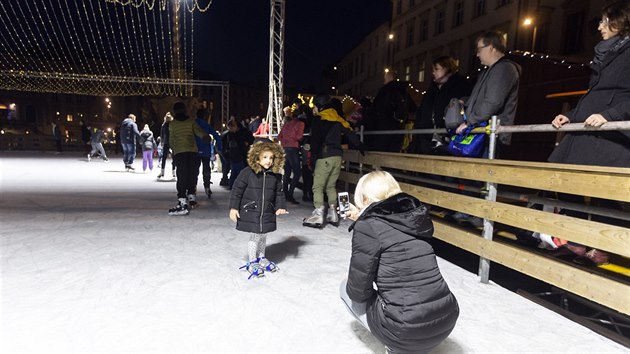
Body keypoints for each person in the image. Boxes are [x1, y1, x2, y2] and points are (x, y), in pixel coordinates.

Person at [547, 0, 630, 266]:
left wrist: (610, 116)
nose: (599, 26)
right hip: (588, 129)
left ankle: (602, 247)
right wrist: (570, 116)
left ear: (621, 21)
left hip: (611, 134)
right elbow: (594, 95)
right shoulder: (607, 53)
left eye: (605, 21)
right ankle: (576, 241)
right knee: (567, 180)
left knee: (603, 192)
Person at [340, 171, 459, 354]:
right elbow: (389, 230)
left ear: (365, 199)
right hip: (446, 319)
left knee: (345, 290)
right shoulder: (415, 218)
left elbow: (357, 291)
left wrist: (363, 223)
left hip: (406, 331)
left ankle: (395, 347)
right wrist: (363, 219)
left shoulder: (368, 227)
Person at [454, 31, 521, 154]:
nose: (477, 54)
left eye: (479, 49)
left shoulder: (504, 69)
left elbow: (493, 102)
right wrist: (464, 100)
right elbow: (483, 99)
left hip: (491, 137)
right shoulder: (489, 71)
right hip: (483, 134)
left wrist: (469, 122)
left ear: (491, 47)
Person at [228, 141, 288, 279]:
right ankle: (252, 261)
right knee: (255, 236)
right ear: (257, 157)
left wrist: (280, 206)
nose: (268, 161)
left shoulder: (275, 175)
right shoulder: (247, 173)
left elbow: (279, 192)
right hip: (252, 210)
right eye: (265, 157)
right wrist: (233, 207)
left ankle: (261, 257)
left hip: (266, 210)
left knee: (263, 235)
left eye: (271, 158)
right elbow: (237, 190)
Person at [303, 93, 364, 228]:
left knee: (317, 186)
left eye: (315, 106)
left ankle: (318, 214)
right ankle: (333, 213)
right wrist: (359, 145)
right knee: (330, 186)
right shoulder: (337, 119)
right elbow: (349, 132)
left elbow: (316, 141)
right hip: (337, 157)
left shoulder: (319, 119)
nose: (314, 109)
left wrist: (312, 158)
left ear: (320, 106)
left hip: (324, 157)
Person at [412, 56, 473, 155]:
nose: (433, 73)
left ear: (447, 68)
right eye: (433, 70)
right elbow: (422, 111)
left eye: (436, 69)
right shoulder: (432, 89)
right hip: (427, 138)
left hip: (449, 138)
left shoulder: (461, 86)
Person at [168, 102, 212, 215]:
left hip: (179, 153)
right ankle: (191, 196)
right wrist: (205, 137)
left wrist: (174, 150)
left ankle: (182, 197)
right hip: (192, 152)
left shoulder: (172, 124)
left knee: (181, 175)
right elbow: (199, 132)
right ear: (185, 111)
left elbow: (171, 140)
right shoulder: (191, 122)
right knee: (192, 173)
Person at [365, 70, 416, 152]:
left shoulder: (385, 90)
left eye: (385, 78)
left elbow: (375, 109)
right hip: (399, 129)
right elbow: (413, 107)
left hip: (384, 129)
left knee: (381, 154)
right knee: (394, 153)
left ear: (389, 78)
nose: (384, 81)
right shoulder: (404, 91)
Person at [277, 106, 305, 204]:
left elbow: (279, 136)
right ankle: (290, 194)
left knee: (287, 172)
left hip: (284, 149)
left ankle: (284, 193)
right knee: (297, 173)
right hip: (293, 149)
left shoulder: (286, 124)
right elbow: (299, 137)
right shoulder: (300, 124)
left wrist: (286, 139)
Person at [194, 109, 222, 198]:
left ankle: (193, 187)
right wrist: (219, 147)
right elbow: (216, 136)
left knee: (194, 170)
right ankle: (207, 187)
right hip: (206, 149)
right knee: (206, 168)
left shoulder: (193, 124)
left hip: (194, 150)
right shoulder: (207, 125)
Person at [224, 118, 254, 189]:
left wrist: (247, 142)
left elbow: (251, 140)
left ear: (235, 126)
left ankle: (242, 186)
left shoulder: (244, 132)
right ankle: (235, 186)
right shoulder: (230, 134)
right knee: (235, 171)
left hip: (243, 154)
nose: (230, 130)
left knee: (242, 171)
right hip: (235, 155)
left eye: (231, 128)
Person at [158, 112, 175, 179]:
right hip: (172, 142)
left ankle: (162, 172)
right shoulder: (173, 125)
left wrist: (162, 142)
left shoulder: (163, 125)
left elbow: (162, 135)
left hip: (166, 142)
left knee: (164, 158)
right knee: (174, 158)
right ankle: (173, 172)